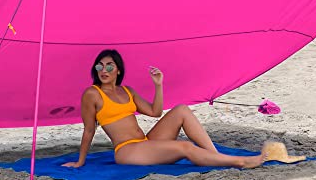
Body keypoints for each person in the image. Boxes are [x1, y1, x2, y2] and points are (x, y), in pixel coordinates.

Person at [62, 49, 267, 169]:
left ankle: (216, 156)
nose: (103, 70)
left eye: (109, 66)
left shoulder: (127, 91)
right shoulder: (92, 94)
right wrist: (80, 162)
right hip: (126, 150)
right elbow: (89, 130)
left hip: (145, 142)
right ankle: (238, 162)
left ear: (118, 70)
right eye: (99, 66)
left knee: (181, 110)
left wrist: (158, 85)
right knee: (184, 147)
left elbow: (155, 112)